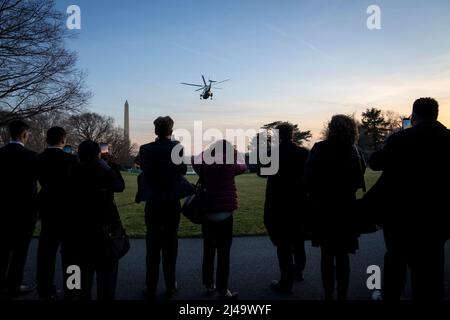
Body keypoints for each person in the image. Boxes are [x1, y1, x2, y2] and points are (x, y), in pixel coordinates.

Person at [368, 98, 450, 300]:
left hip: (401, 215)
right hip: (438, 216)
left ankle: (390, 295)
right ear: (436, 114)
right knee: (432, 266)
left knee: (396, 260)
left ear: (413, 115)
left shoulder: (401, 139)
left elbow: (375, 163)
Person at [305, 115, 366, 300]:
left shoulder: (319, 148)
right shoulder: (354, 150)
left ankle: (328, 294)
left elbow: (308, 179)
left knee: (326, 255)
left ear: (331, 128)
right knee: (343, 256)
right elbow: (359, 178)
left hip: (323, 209)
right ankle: (342, 294)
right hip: (346, 208)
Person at [137, 116, 187, 300]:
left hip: (153, 202)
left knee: (152, 245)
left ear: (155, 130)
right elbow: (181, 170)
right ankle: (170, 285)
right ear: (171, 130)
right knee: (170, 244)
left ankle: (150, 287)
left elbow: (145, 170)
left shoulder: (145, 149)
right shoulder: (177, 148)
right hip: (171, 202)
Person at [70, 140, 125, 300]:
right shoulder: (106, 169)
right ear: (99, 153)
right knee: (107, 274)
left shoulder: (73, 169)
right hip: (104, 228)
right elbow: (119, 186)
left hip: (80, 228)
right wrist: (108, 164)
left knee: (81, 274)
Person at [192, 140, 247, 300]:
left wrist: (207, 151)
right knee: (224, 254)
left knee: (208, 251)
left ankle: (209, 285)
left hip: (207, 211)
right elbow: (242, 165)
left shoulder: (205, 164)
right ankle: (223, 289)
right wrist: (235, 153)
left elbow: (196, 160)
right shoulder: (230, 164)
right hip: (225, 214)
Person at [261, 122, 309, 294]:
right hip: (298, 202)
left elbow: (260, 172)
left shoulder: (272, 154)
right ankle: (299, 271)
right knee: (298, 240)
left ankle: (285, 281)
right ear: (292, 135)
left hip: (278, 203)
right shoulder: (304, 153)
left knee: (283, 244)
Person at [35, 127, 78, 300]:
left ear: (46, 139)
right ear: (63, 140)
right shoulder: (72, 160)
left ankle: (45, 290)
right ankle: (72, 288)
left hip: (47, 209)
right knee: (72, 254)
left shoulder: (38, 159)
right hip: (69, 210)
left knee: (46, 253)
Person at [0, 120, 38, 299]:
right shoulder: (31, 156)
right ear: (24, 135)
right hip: (25, 211)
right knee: (20, 252)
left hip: (2, 211)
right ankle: (14, 286)